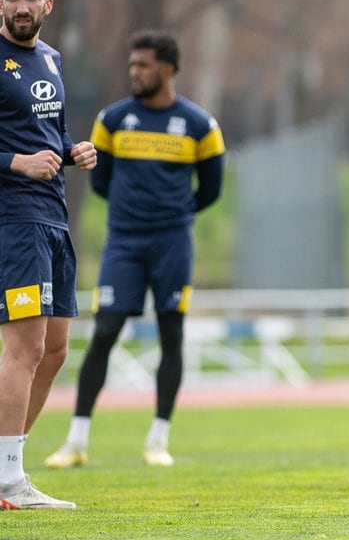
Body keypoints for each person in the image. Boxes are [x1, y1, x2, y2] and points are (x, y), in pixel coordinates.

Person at [46, 31, 225, 469]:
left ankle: (158, 439)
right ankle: (76, 441)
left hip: (173, 243)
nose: (134, 73)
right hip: (123, 242)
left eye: (143, 65)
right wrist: (134, 214)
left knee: (171, 335)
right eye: (131, 65)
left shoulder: (201, 125)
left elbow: (211, 189)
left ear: (167, 70)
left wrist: (172, 215)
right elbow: (101, 181)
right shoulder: (112, 119)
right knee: (104, 333)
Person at [0, 0, 97, 510]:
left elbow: (50, 139)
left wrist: (72, 150)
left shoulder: (53, 60)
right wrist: (17, 163)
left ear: (47, 5)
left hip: (54, 218)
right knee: (25, 347)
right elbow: (20, 152)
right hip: (15, 220)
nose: (21, 8)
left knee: (55, 349)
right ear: (2, 3)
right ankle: (10, 482)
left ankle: (8, 464)